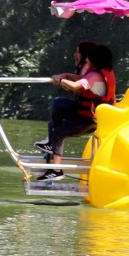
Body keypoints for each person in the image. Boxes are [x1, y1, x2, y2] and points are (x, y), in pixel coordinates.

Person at [34, 41, 116, 179]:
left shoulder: (95, 76)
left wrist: (60, 81)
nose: (86, 60)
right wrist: (66, 75)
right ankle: (51, 144)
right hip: (88, 114)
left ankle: (57, 170)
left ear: (95, 60)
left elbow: (74, 86)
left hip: (90, 120)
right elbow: (80, 79)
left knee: (58, 132)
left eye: (89, 58)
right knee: (58, 105)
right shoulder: (100, 73)